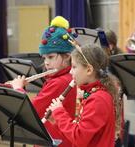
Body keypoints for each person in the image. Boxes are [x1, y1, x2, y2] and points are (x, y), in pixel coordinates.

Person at [9, 16, 77, 147]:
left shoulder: (60, 82)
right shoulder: (60, 78)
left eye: (51, 57)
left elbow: (29, 113)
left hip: (55, 141)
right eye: (44, 57)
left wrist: (18, 89)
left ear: (67, 57)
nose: (46, 62)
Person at [45, 44, 122, 147]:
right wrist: (57, 121)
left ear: (89, 70)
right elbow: (77, 138)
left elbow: (79, 138)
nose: (71, 71)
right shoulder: (92, 94)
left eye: (74, 67)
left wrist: (59, 112)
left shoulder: (98, 99)